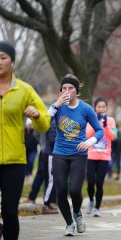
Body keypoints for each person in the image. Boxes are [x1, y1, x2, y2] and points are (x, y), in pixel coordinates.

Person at [0, 41, 50, 240]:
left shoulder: (24, 90)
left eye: (3, 58)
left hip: (15, 160)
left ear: (12, 61)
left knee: (10, 211)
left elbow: (45, 123)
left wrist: (36, 115)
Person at [47, 74, 104, 236]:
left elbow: (99, 130)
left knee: (74, 190)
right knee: (61, 190)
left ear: (76, 91)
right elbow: (44, 121)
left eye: (70, 88)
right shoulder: (56, 107)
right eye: (63, 88)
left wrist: (89, 142)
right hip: (59, 153)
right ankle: (69, 223)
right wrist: (56, 105)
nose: (67, 91)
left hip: (79, 154)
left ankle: (77, 212)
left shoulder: (85, 109)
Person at [85, 98, 117, 217]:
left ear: (107, 109)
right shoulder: (90, 120)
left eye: (104, 107)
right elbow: (87, 136)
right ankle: (91, 201)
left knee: (99, 182)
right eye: (99, 107)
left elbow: (113, 137)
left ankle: (97, 208)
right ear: (95, 108)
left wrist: (106, 126)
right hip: (91, 156)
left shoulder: (111, 120)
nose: (101, 109)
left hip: (104, 157)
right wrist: (96, 124)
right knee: (90, 182)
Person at [27, 120, 58, 214]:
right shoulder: (52, 122)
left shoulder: (56, 121)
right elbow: (52, 140)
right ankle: (45, 203)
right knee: (49, 179)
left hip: (49, 152)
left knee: (48, 178)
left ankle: (49, 201)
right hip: (48, 152)